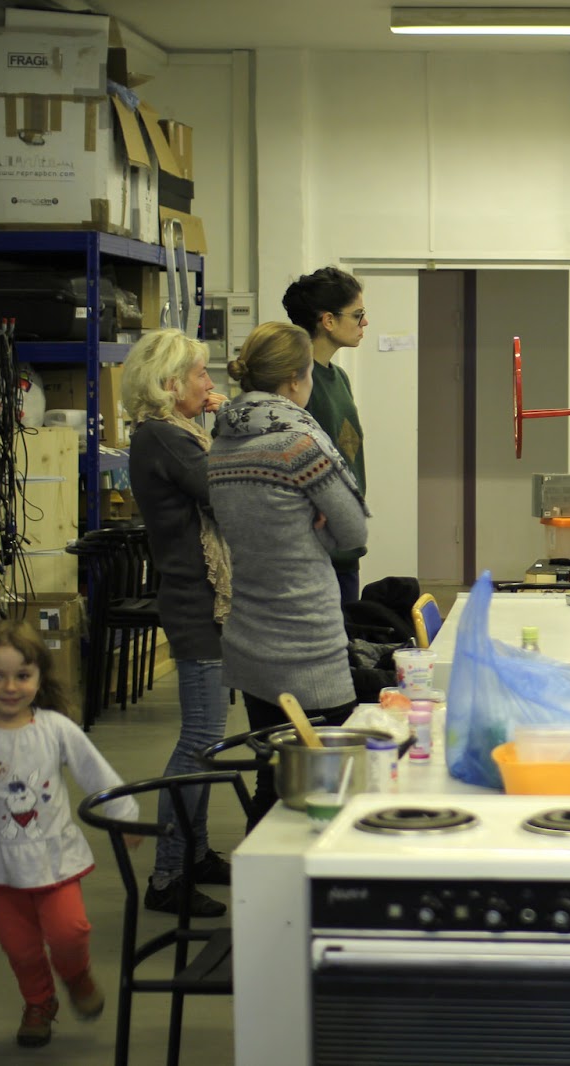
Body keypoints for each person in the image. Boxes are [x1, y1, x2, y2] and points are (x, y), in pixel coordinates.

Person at [0, 621, 140, 1048]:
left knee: (70, 931)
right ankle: (39, 1002)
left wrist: (123, 815)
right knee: (20, 948)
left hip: (54, 857)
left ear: (40, 677)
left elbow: (95, 772)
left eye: (22, 675)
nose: (10, 687)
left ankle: (76, 975)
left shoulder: (55, 728)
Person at [209, 321, 370, 821]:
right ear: (297, 379)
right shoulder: (298, 443)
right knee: (327, 784)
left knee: (273, 776)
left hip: (249, 636)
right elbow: (353, 532)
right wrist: (319, 531)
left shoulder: (221, 444)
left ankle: (261, 869)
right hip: (307, 641)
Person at [122, 328, 233, 918]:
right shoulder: (166, 437)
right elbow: (223, 490)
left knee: (206, 739)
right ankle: (169, 876)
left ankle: (198, 853)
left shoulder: (176, 433)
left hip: (197, 598)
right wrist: (235, 425)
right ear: (169, 385)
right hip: (195, 603)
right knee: (200, 742)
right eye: (200, 375)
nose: (209, 383)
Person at [282, 267, 368, 603]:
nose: (364, 323)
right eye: (357, 315)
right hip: (316, 552)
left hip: (345, 545)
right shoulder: (298, 385)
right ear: (328, 321)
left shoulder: (339, 377)